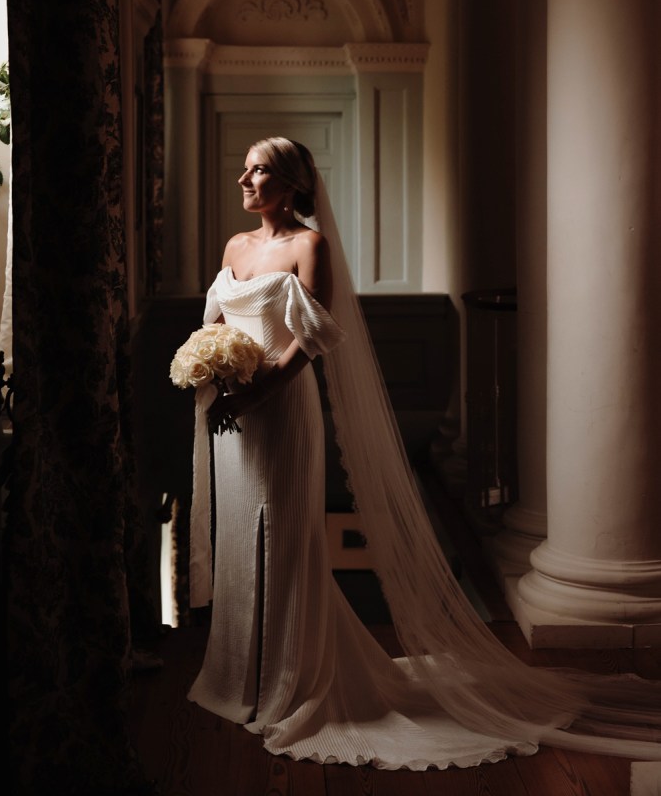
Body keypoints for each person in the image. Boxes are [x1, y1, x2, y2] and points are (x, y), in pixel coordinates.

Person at [187, 137, 661, 770]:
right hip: (231, 415)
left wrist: (252, 397)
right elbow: (216, 329)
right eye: (244, 167)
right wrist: (210, 377)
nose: (243, 179)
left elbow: (308, 342)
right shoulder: (235, 247)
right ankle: (238, 676)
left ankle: (289, 681)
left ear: (294, 184)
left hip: (280, 413)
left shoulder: (310, 246)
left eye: (259, 170)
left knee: (283, 538)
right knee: (241, 535)